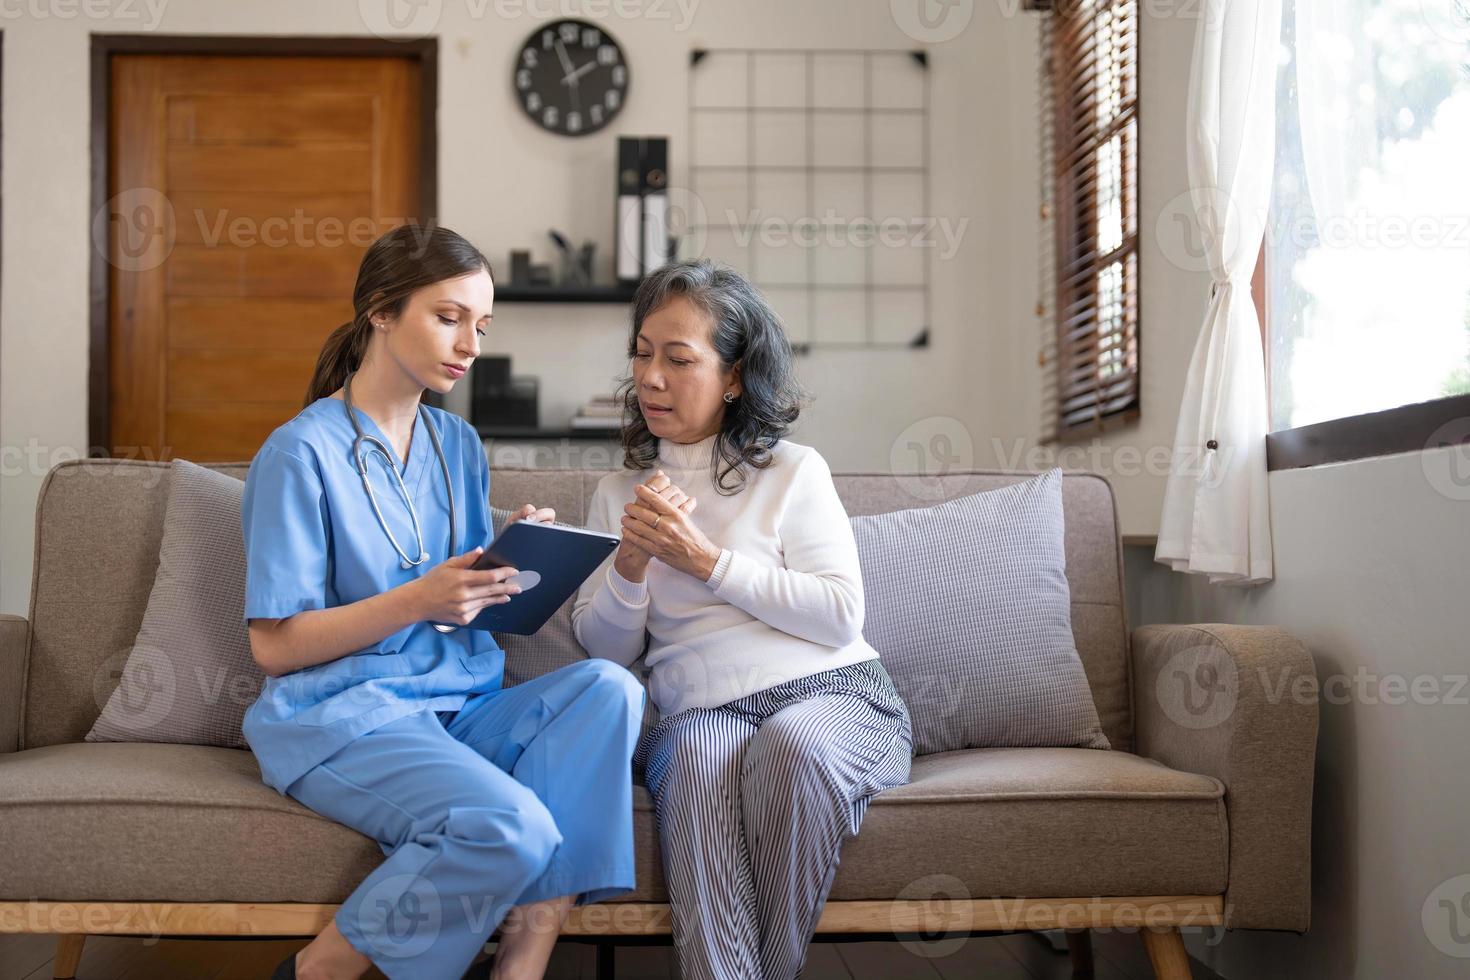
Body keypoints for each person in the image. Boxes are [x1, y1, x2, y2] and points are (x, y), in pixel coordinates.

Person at [240, 224, 644, 980]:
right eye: (449, 316)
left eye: (481, 326)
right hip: (345, 719)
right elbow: (274, 644)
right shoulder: (298, 453)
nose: (470, 345)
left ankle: (523, 960)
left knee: (610, 689)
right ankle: (323, 967)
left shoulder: (456, 444)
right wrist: (417, 599)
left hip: (458, 707)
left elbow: (461, 596)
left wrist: (509, 558)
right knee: (510, 825)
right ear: (381, 312)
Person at [571, 259, 913, 980]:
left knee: (796, 746)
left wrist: (707, 562)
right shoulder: (617, 492)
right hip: (699, 709)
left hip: (832, 693)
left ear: (732, 376)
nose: (651, 377)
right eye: (641, 353)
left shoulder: (793, 471)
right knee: (694, 760)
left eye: (678, 359)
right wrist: (630, 564)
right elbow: (601, 648)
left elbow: (840, 612)